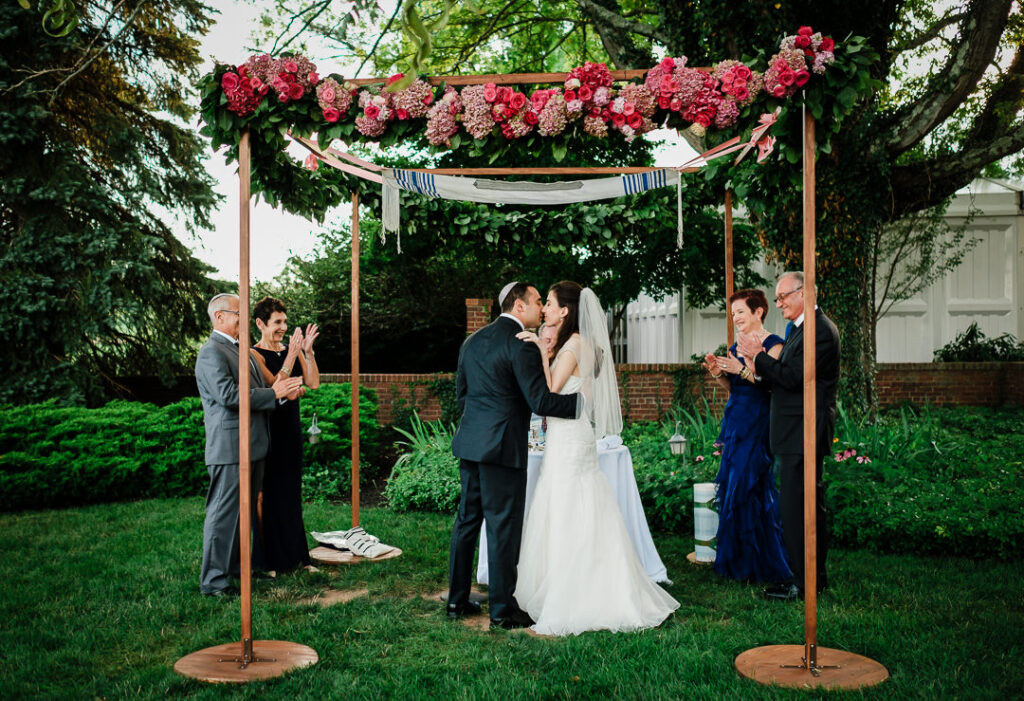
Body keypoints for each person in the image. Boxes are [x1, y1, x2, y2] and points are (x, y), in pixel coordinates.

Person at [514, 281, 679, 635]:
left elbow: (550, 390)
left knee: (566, 507)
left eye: (551, 303)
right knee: (583, 504)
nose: (545, 309)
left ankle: (572, 595)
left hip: (568, 438)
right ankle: (600, 583)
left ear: (566, 311)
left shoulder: (572, 346)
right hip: (578, 434)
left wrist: (542, 352)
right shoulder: (588, 346)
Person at [447, 282, 582, 630]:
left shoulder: (472, 341)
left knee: (466, 523)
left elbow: (462, 397)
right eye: (538, 302)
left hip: (471, 445)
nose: (541, 308)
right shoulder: (520, 344)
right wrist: (583, 403)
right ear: (519, 306)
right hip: (502, 448)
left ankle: (456, 600)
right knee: (503, 528)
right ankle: (503, 611)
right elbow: (541, 402)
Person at [737, 272, 840, 601]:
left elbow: (795, 378)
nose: (778, 303)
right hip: (794, 431)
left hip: (804, 432)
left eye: (783, 297)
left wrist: (759, 355)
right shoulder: (800, 329)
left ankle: (804, 582)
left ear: (804, 292)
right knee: (800, 507)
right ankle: (807, 577)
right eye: (777, 297)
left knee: (800, 509)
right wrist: (755, 364)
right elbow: (781, 380)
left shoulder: (820, 331)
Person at [195, 293, 303, 596]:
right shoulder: (211, 352)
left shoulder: (240, 349)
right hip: (230, 448)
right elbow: (229, 396)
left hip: (253, 446)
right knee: (223, 514)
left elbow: (258, 390)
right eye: (238, 312)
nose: (243, 318)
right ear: (220, 317)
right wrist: (274, 394)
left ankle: (238, 571)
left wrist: (282, 393)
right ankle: (213, 581)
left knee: (243, 515)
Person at [701, 289, 791, 583]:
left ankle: (761, 561)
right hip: (736, 420)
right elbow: (735, 388)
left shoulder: (774, 344)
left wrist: (741, 370)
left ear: (758, 312)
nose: (735, 318)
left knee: (750, 485)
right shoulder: (734, 346)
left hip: (759, 421)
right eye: (733, 313)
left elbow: (771, 386)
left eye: (740, 312)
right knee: (733, 486)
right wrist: (718, 373)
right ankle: (737, 558)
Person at [249, 297, 320, 577]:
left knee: (291, 494)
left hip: (290, 430)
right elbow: (276, 386)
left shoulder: (292, 349)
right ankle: (268, 562)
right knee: (267, 496)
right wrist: (291, 358)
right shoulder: (253, 354)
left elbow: (312, 383)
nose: (283, 327)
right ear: (260, 324)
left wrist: (308, 353)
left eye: (285, 321)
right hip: (268, 431)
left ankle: (299, 558)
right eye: (277, 322)